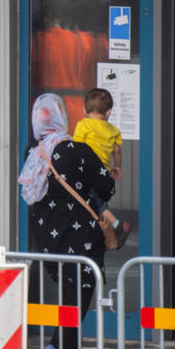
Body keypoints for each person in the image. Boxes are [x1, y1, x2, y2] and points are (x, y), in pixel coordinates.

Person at [19, 93, 115, 349]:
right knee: (83, 288)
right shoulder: (77, 150)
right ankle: (57, 345)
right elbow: (106, 186)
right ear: (62, 116)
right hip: (79, 235)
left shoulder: (33, 152)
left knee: (68, 289)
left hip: (45, 237)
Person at [72, 88, 131, 246]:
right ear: (108, 112)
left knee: (95, 203)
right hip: (103, 173)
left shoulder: (83, 125)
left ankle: (118, 225)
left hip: (86, 172)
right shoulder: (114, 131)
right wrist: (117, 167)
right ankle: (109, 229)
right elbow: (117, 151)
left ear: (84, 110)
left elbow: (76, 148)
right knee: (96, 201)